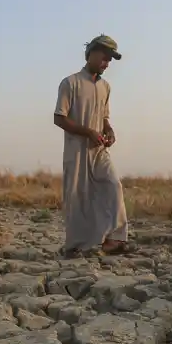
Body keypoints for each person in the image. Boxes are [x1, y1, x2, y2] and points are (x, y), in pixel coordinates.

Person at [52, 34, 131, 257]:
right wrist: (87, 132)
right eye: (104, 58)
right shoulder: (70, 83)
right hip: (77, 149)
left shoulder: (105, 87)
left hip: (98, 151)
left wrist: (109, 130)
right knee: (78, 197)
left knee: (113, 185)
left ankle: (114, 240)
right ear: (91, 54)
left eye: (109, 60)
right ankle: (77, 246)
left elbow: (104, 117)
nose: (106, 63)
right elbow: (59, 118)